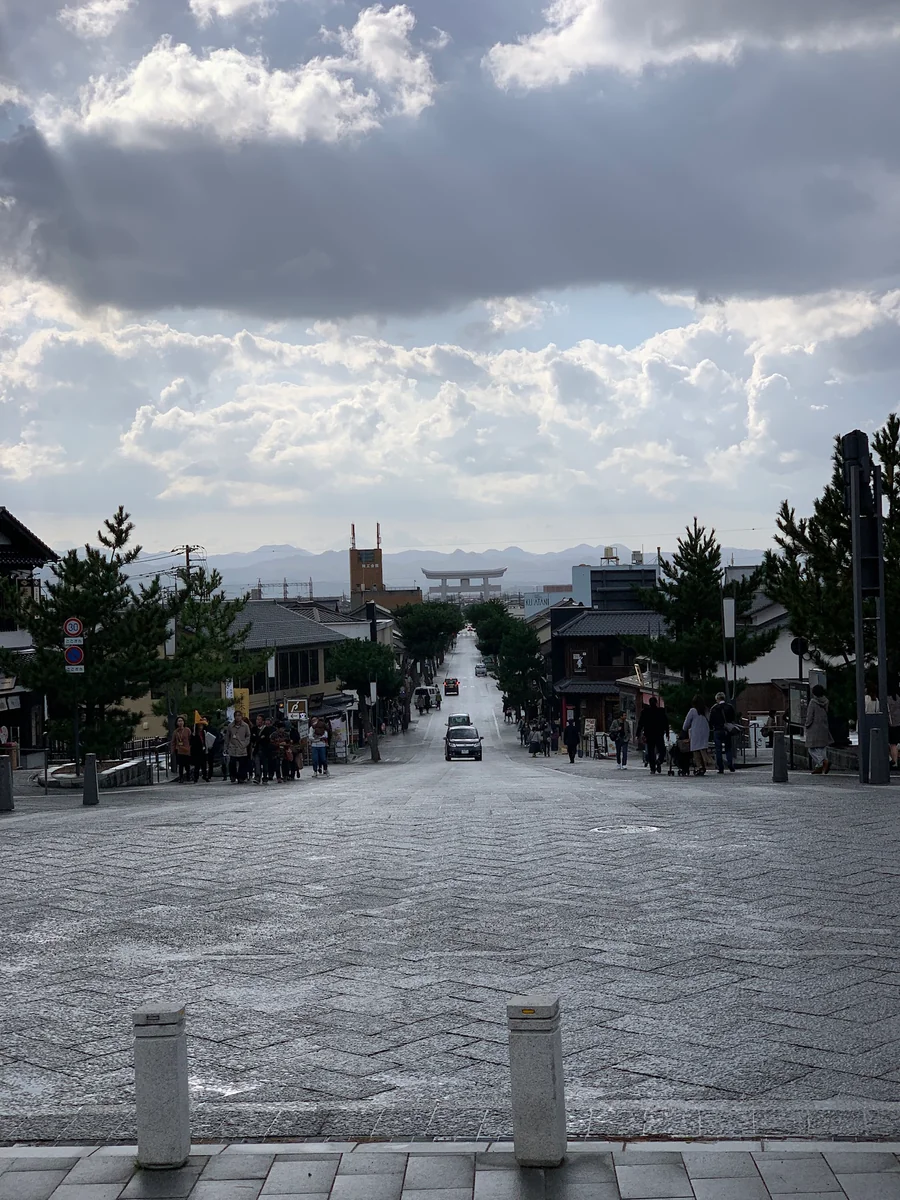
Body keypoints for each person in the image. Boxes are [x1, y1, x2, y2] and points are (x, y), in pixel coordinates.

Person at [636, 697, 669, 775]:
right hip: (659, 734)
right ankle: (659, 761)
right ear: (656, 702)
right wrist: (667, 732)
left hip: (649, 734)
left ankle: (652, 768)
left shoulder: (645, 712)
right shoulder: (661, 711)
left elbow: (640, 723)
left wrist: (638, 733)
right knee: (662, 750)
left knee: (651, 752)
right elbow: (666, 722)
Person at [804, 684, 831, 774]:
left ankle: (822, 762)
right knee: (822, 748)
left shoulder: (813, 702)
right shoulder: (826, 701)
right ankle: (820, 766)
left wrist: (806, 725)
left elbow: (810, 716)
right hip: (823, 727)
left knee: (811, 748)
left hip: (814, 728)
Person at [709, 692, 737, 774]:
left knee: (718, 750)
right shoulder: (729, 707)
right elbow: (733, 718)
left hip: (717, 730)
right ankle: (730, 764)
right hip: (727, 730)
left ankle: (720, 767)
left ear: (717, 699)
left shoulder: (713, 708)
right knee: (728, 748)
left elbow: (711, 721)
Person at [682, 696, 710, 776]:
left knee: (695, 749)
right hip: (705, 730)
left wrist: (684, 729)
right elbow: (709, 719)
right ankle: (705, 763)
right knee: (703, 747)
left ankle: (700, 766)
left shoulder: (692, 711)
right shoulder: (705, 710)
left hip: (696, 731)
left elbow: (687, 722)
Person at [224, 711, 251, 783]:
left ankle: (241, 777)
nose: (238, 717)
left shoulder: (245, 726)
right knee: (232, 763)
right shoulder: (230, 726)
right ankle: (233, 776)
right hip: (233, 747)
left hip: (242, 747)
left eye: (239, 715)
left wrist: (245, 744)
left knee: (243, 764)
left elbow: (248, 736)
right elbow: (227, 737)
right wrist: (226, 747)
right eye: (236, 715)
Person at [170, 716, 192, 783]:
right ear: (177, 723)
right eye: (179, 721)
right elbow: (173, 742)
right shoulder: (175, 732)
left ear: (184, 722)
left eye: (181, 721)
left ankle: (188, 777)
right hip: (179, 750)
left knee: (187, 765)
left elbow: (190, 739)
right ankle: (181, 778)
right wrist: (172, 750)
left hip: (187, 749)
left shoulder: (187, 730)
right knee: (180, 765)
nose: (180, 722)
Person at [888, 687, 900, 769]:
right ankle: (895, 762)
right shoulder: (898, 698)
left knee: (891, 743)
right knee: (894, 743)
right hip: (898, 722)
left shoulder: (886, 699)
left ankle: (892, 760)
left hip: (891, 723)